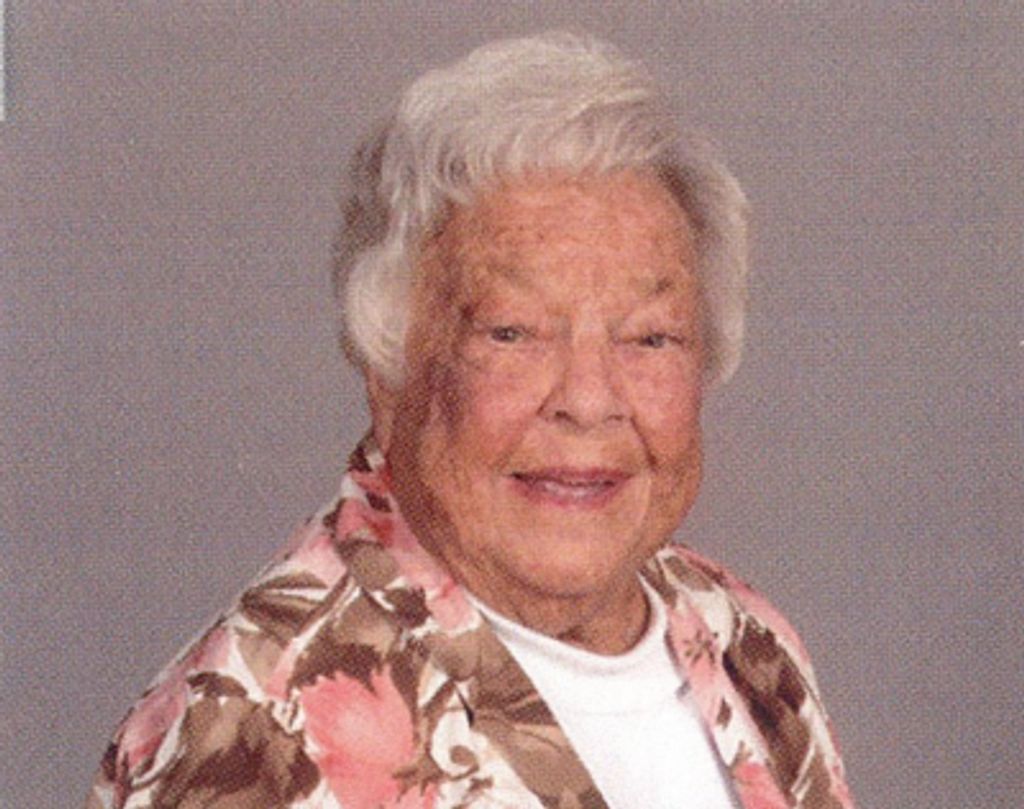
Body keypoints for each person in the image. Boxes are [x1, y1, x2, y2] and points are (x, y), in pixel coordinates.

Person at [87, 32, 855, 809]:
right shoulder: (258, 733)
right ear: (388, 370)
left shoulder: (743, 641)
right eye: (512, 332)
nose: (589, 400)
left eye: (650, 338)